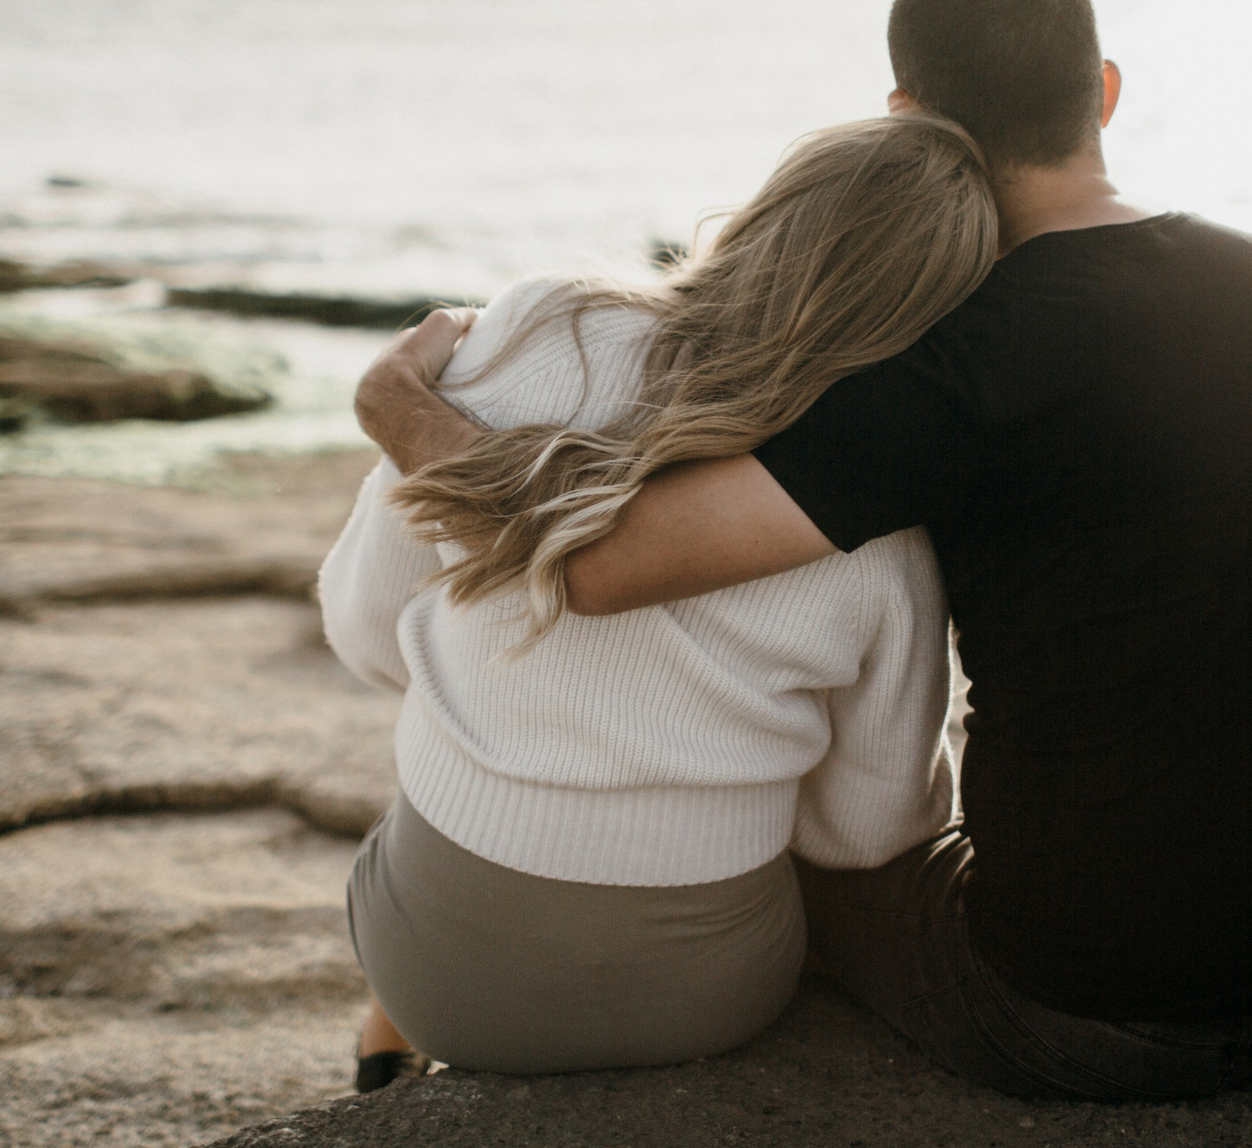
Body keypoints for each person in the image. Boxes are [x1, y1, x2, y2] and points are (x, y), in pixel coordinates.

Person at [355, 0, 1252, 1100]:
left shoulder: (954, 365)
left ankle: (410, 1010)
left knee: (778, 880)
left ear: (907, 120)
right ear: (1103, 89)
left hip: (1082, 1005)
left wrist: (397, 403)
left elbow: (599, 564)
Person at [319, 112, 1004, 1090]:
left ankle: (390, 1031)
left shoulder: (543, 326)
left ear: (768, 215)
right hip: (707, 997)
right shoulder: (877, 526)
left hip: (440, 973)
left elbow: (368, 633)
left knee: (430, 780)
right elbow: (863, 834)